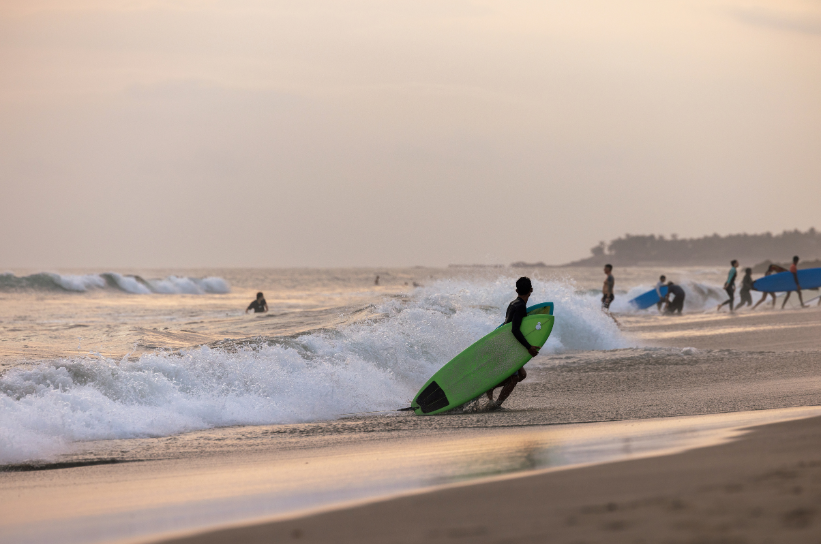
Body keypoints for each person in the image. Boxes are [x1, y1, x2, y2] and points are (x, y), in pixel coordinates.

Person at [486, 277, 540, 409]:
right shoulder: (520, 306)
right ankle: (496, 405)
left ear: (516, 290)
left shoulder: (513, 303)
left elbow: (507, 326)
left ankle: (491, 387)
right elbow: (514, 330)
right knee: (515, 378)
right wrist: (529, 347)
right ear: (531, 290)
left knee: (522, 375)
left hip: (506, 343)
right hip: (508, 346)